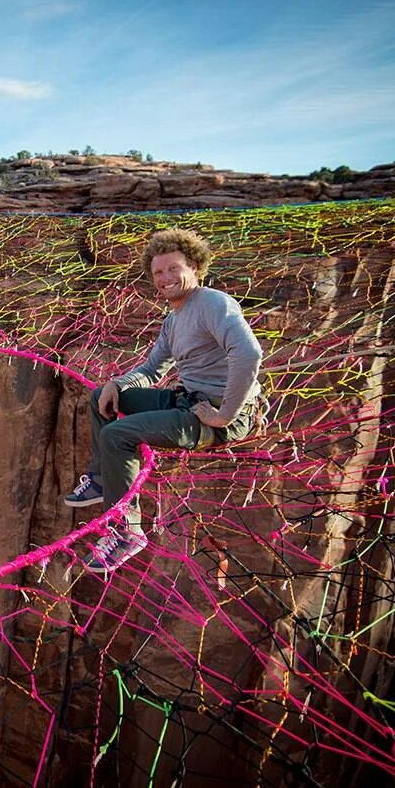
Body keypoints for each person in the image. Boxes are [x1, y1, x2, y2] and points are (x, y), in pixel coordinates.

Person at [69, 228, 264, 572]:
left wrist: (225, 416)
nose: (165, 278)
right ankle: (101, 479)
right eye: (158, 272)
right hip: (188, 402)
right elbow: (153, 368)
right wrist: (118, 383)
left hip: (214, 418)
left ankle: (127, 532)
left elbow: (248, 354)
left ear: (194, 267)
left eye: (173, 269)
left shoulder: (212, 303)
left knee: (117, 435)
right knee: (103, 396)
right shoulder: (174, 319)